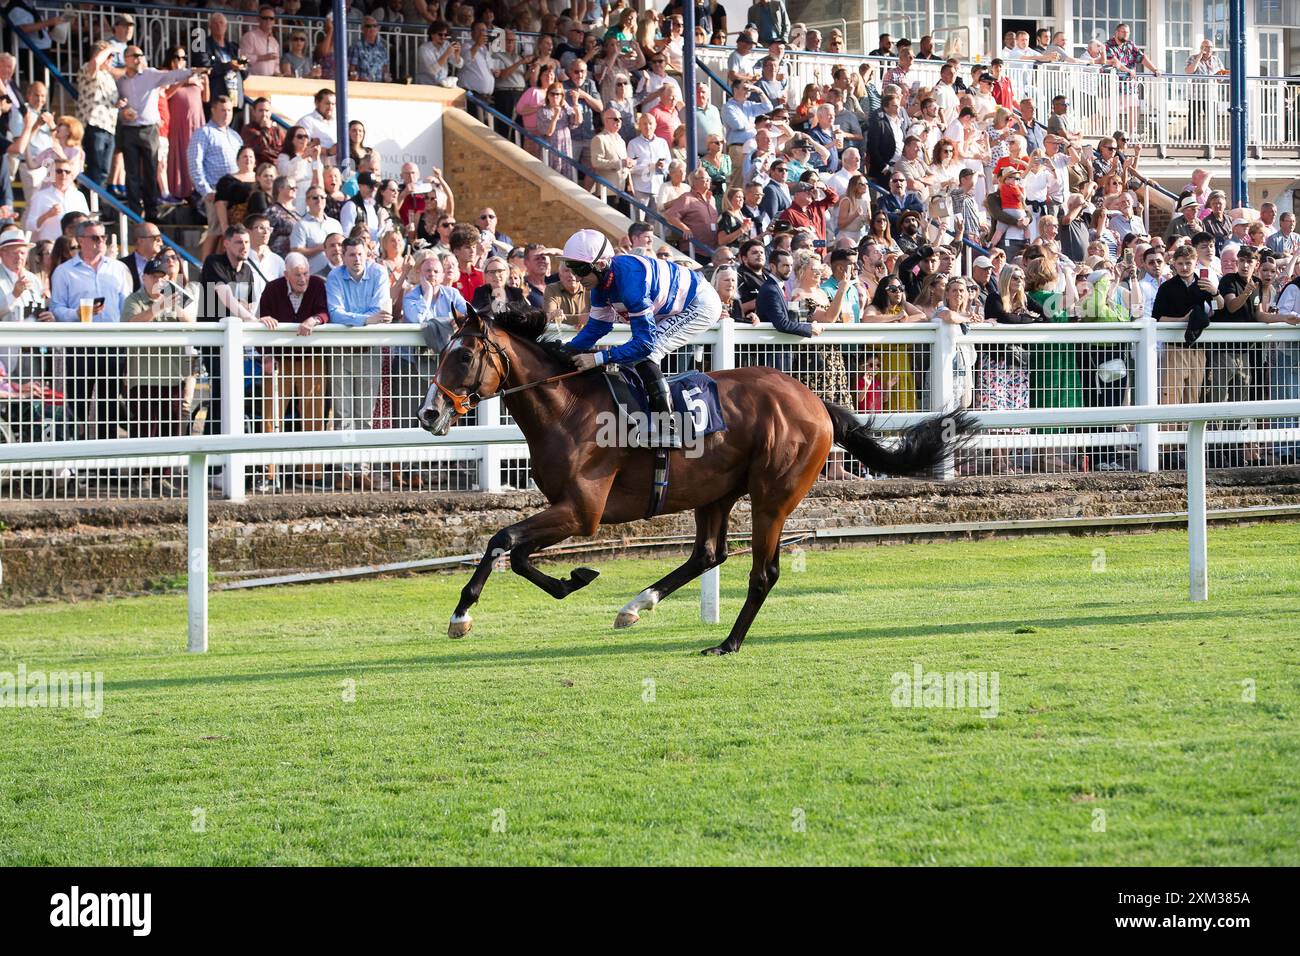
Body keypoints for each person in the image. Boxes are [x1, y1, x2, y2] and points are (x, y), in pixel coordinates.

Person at [561, 229, 723, 448]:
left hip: (699, 303)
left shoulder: (630, 283)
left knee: (648, 354)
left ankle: (667, 429)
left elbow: (644, 344)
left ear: (600, 265)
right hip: (670, 307)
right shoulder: (600, 286)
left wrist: (599, 358)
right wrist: (565, 351)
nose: (577, 278)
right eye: (572, 268)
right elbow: (597, 327)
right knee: (633, 358)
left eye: (580, 269)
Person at [51, 220, 133, 441]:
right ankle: (76, 461)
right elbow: (56, 308)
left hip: (113, 344)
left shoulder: (119, 268)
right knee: (78, 405)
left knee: (110, 406)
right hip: (80, 344)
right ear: (80, 240)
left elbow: (127, 307)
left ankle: (108, 466)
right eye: (95, 237)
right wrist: (75, 314)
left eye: (103, 237)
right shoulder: (63, 272)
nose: (101, 242)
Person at [255, 252, 331, 487]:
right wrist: (265, 355)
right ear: (286, 274)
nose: (303, 279)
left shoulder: (318, 285)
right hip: (280, 360)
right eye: (297, 274)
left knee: (314, 415)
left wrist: (314, 320)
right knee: (271, 416)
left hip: (311, 359)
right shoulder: (273, 288)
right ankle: (268, 475)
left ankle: (311, 475)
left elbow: (324, 312)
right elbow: (262, 322)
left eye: (306, 273)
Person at [325, 236, 393, 488]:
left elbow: (381, 309)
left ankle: (362, 470)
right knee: (342, 413)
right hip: (341, 349)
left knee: (364, 414)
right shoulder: (334, 276)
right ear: (343, 256)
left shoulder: (378, 273)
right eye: (351, 255)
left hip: (370, 350)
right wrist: (366, 320)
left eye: (360, 255)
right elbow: (335, 313)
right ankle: (346, 471)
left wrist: (356, 319)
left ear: (368, 255)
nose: (356, 260)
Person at [117, 45, 200, 220]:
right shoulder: (121, 81)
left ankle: (151, 212)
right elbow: (115, 102)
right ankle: (134, 213)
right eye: (135, 55)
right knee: (132, 173)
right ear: (126, 58)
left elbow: (170, 75)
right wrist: (122, 110)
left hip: (150, 129)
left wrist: (190, 71)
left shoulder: (150, 74)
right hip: (129, 129)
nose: (139, 58)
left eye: (141, 55)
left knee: (150, 171)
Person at [24, 159, 88, 244]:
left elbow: (87, 221)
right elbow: (29, 225)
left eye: (67, 172)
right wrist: (47, 215)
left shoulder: (79, 196)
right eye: (59, 171)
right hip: (51, 246)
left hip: (76, 245)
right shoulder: (40, 196)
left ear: (71, 175)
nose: (63, 174)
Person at [544, 263, 591, 328]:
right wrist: (580, 319)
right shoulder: (552, 289)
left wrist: (564, 318)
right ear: (560, 276)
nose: (571, 275)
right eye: (566, 271)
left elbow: (600, 317)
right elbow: (550, 318)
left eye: (574, 271)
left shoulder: (589, 288)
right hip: (562, 336)